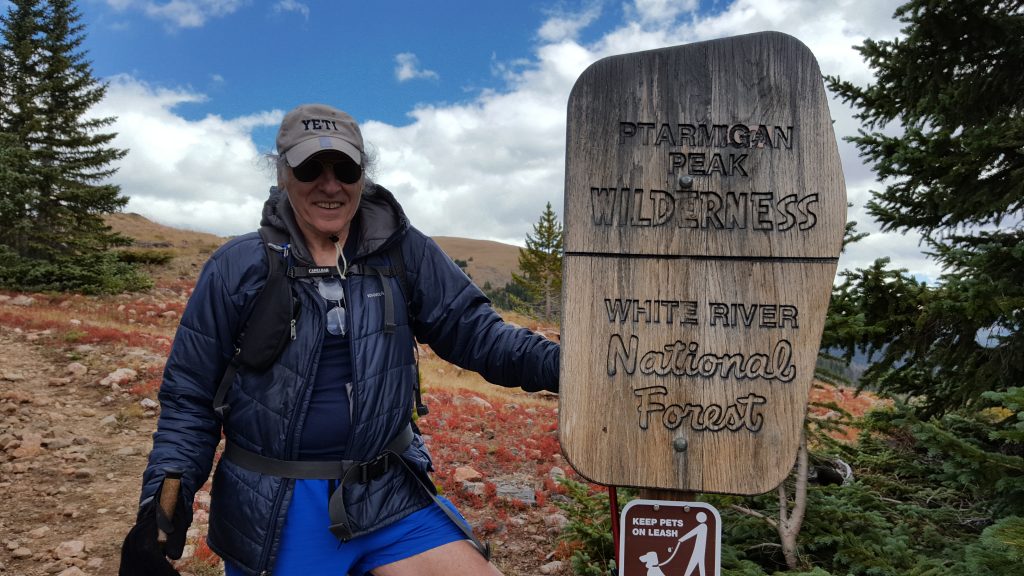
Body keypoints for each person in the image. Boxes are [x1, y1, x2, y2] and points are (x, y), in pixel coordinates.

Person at [119, 103, 560, 576]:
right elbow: (190, 400)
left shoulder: (403, 253)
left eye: (345, 169)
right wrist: (160, 514)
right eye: (311, 168)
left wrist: (574, 366)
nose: (330, 185)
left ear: (362, 175)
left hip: (387, 492)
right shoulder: (238, 266)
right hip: (278, 507)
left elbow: (479, 335)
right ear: (283, 172)